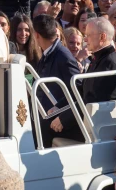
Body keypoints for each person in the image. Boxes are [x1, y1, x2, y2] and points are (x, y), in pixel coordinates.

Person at [51, 17, 116, 141]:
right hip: (87, 116)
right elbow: (81, 89)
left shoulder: (109, 63)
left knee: (45, 128)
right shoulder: (99, 58)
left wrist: (63, 119)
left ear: (102, 37)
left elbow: (92, 100)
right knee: (45, 120)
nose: (85, 39)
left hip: (95, 123)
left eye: (89, 35)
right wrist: (59, 107)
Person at [33, 14, 81, 147]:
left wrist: (59, 109)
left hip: (54, 122)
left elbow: (77, 89)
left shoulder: (63, 56)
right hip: (44, 116)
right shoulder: (48, 53)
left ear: (36, 35)